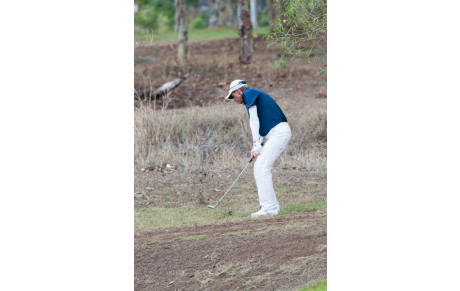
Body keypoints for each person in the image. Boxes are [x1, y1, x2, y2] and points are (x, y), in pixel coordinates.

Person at [225, 80, 291, 218]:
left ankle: (270, 208)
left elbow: (254, 120)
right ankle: (270, 206)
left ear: (239, 91)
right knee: (259, 168)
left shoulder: (249, 93)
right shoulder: (252, 96)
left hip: (279, 133)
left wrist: (256, 143)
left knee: (262, 168)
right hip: (275, 134)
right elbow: (260, 125)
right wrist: (256, 146)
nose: (234, 99)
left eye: (233, 96)